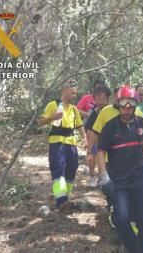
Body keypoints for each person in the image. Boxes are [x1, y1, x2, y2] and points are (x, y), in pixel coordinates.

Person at [97, 84, 143, 253]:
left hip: (140, 178)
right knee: (121, 218)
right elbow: (100, 151)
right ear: (117, 104)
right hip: (118, 181)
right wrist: (103, 176)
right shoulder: (110, 126)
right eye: (123, 103)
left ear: (135, 104)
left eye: (130, 103)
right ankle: (134, 249)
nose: (127, 108)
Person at [37, 80, 86, 212]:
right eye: (72, 93)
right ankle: (61, 200)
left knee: (72, 169)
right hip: (57, 142)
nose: (74, 96)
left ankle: (65, 198)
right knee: (58, 169)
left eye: (76, 93)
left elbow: (80, 125)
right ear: (64, 90)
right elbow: (40, 121)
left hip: (71, 143)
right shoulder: (54, 104)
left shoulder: (73, 109)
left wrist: (85, 139)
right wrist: (53, 117)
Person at [84, 85, 112, 187]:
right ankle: (93, 177)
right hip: (98, 143)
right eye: (97, 97)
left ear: (108, 98)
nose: (99, 99)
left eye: (102, 97)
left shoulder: (113, 111)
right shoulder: (95, 113)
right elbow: (90, 130)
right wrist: (89, 149)